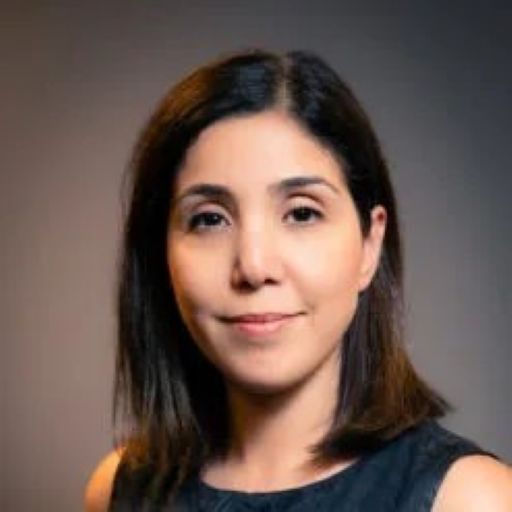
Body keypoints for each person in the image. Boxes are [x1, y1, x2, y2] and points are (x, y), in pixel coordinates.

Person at [85, 49, 512, 511]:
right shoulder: (118, 489)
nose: (254, 266)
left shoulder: (470, 499)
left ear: (370, 244)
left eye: (302, 213)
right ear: (161, 254)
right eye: (209, 219)